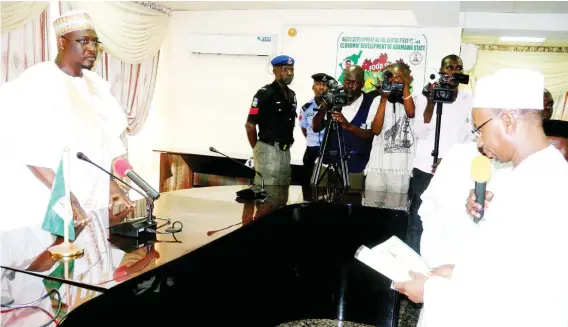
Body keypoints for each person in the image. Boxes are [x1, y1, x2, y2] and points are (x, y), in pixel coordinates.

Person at [394, 68, 568, 327]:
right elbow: (501, 264)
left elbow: (522, 296)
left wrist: (430, 292)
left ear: (508, 121)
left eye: (480, 129)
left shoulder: (545, 185)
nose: (478, 140)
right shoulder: (530, 173)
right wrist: (455, 272)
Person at [0, 10, 133, 232]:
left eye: (95, 42)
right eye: (83, 41)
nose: (92, 48)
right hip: (50, 197)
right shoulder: (38, 80)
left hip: (92, 197)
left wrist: (112, 185)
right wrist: (65, 195)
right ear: (61, 42)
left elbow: (101, 144)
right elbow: (25, 146)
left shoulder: (96, 85)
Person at [407, 54, 473, 253]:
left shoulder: (469, 100)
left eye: (458, 67)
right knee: (417, 222)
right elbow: (419, 131)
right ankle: (411, 269)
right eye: (449, 67)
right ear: (441, 71)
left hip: (454, 171)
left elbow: (472, 136)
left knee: (448, 221)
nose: (453, 71)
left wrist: (451, 160)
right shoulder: (425, 95)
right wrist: (431, 102)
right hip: (425, 168)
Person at [312, 65, 380, 189]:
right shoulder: (334, 98)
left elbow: (370, 133)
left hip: (354, 165)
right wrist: (323, 108)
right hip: (327, 162)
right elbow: (316, 127)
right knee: (318, 202)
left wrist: (347, 126)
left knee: (350, 202)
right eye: (347, 81)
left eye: (354, 82)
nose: (349, 85)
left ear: (362, 84)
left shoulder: (371, 103)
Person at [365, 62, 416, 208]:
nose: (394, 80)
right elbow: (375, 130)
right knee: (371, 210)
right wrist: (383, 98)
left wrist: (405, 88)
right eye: (391, 77)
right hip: (377, 166)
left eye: (399, 77)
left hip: (401, 168)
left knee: (396, 213)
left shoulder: (416, 99)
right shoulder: (377, 100)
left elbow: (411, 113)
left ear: (408, 79)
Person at [245, 55, 297, 186]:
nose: (289, 73)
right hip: (268, 149)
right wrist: (257, 149)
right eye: (285, 70)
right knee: (267, 192)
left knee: (282, 191)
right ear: (275, 71)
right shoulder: (264, 93)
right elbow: (250, 125)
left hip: (285, 151)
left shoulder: (291, 95)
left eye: (291, 70)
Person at [299, 73, 332, 185]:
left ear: (329, 88)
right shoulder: (306, 107)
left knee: (325, 182)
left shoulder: (333, 107)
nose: (321, 87)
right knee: (306, 180)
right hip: (311, 148)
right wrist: (311, 139)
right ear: (313, 87)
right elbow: (304, 128)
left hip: (328, 148)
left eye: (324, 85)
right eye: (318, 84)